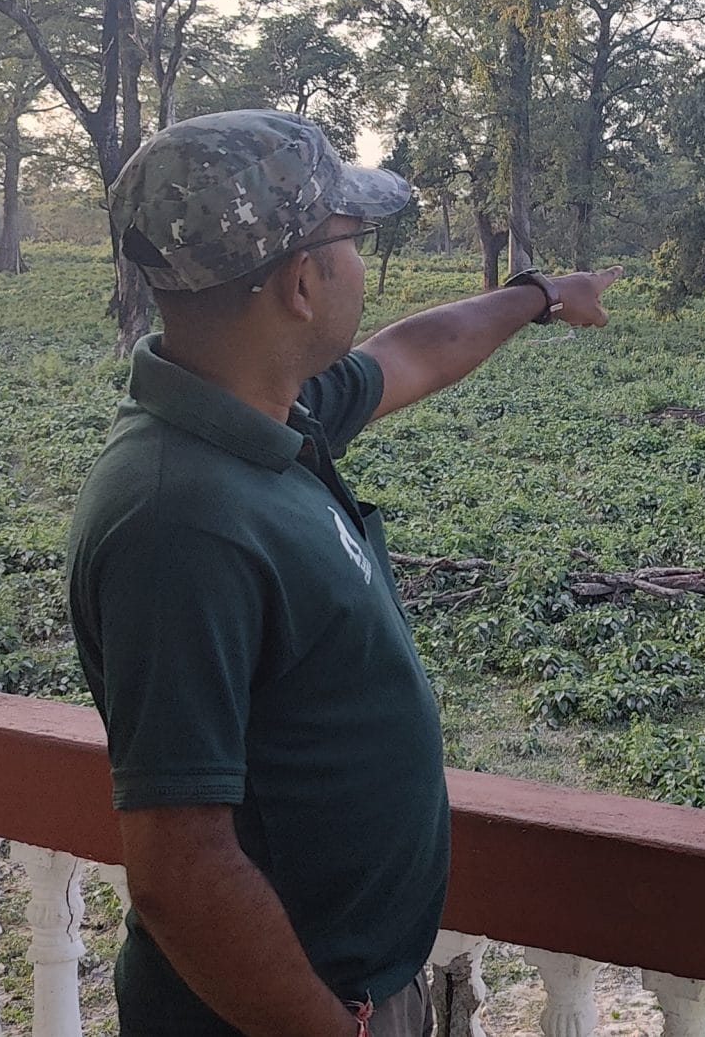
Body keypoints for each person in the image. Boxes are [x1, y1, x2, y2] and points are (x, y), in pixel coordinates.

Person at [67, 109, 619, 1037]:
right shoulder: (179, 520)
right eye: (353, 241)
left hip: (343, 991)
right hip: (281, 1013)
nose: (363, 264)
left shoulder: (268, 412)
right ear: (300, 282)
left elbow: (410, 352)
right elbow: (181, 868)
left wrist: (541, 294)